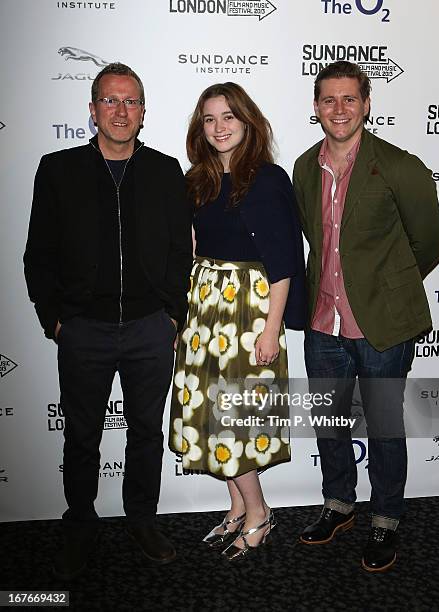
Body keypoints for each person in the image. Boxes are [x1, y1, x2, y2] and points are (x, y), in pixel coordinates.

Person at [24, 63, 192, 578]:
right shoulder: (57, 170)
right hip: (83, 329)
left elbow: (179, 252)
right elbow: (39, 255)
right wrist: (56, 320)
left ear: (143, 112)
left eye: (132, 102)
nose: (122, 111)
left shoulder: (165, 171)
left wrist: (171, 316)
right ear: (93, 110)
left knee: (145, 433)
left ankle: (141, 519)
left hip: (148, 328)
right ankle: (80, 523)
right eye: (111, 101)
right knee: (82, 434)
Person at [293, 61, 439, 572]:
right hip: (323, 323)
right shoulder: (301, 167)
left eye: (349, 99)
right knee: (330, 423)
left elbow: (429, 243)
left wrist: (386, 289)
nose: (339, 109)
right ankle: (338, 504)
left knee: (382, 425)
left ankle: (386, 519)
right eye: (329, 100)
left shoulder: (400, 165)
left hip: (381, 325)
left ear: (366, 104)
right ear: (316, 107)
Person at [169, 82, 306, 560]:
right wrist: (184, 318)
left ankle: (260, 512)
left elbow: (285, 261)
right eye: (209, 119)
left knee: (234, 421)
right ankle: (235, 508)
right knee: (210, 417)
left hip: (249, 313)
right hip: (205, 310)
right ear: (200, 128)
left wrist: (271, 328)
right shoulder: (197, 180)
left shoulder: (267, 179)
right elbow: (190, 249)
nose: (219, 127)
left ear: (247, 122)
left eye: (228, 117)